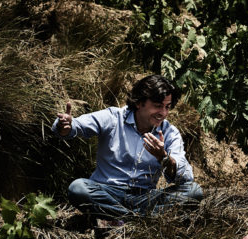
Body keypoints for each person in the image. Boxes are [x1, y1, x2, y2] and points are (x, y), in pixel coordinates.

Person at [52, 74, 203, 221]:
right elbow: (77, 125)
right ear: (139, 102)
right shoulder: (113, 118)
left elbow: (186, 177)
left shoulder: (170, 133)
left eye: (167, 107)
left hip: (145, 198)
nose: (163, 113)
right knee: (78, 188)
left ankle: (121, 218)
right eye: (157, 106)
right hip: (106, 192)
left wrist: (164, 158)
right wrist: (65, 127)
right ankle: (139, 221)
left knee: (194, 191)